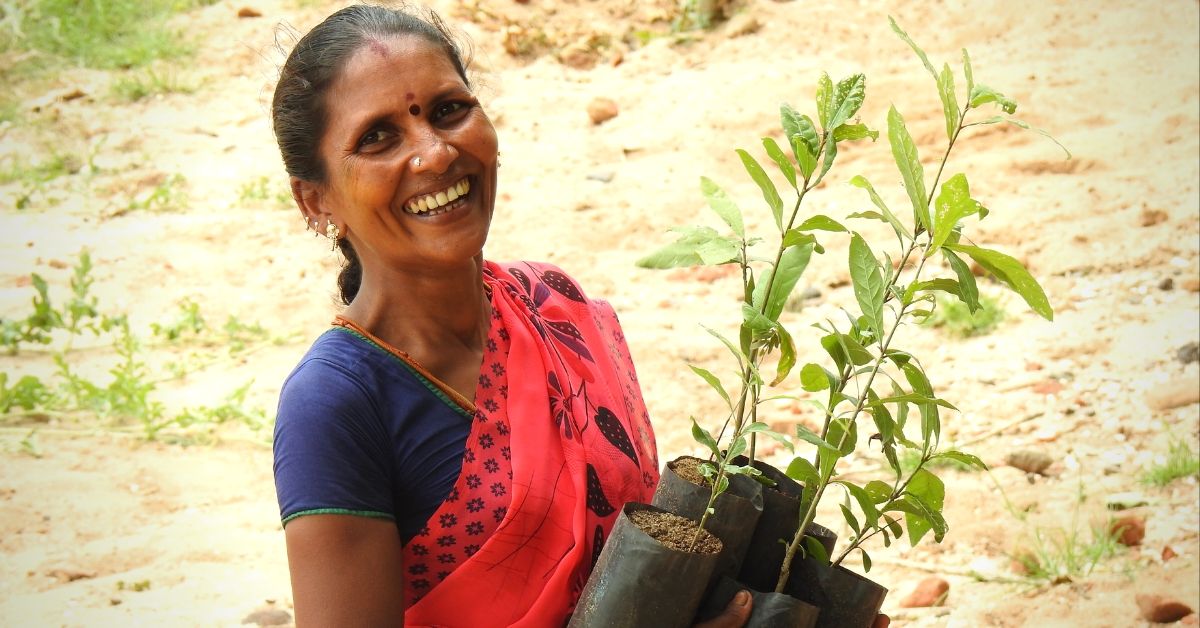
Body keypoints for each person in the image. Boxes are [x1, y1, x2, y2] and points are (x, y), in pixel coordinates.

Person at [268, 4, 768, 626]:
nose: (434, 154)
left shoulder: (554, 307)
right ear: (315, 200)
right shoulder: (338, 405)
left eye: (450, 110)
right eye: (378, 137)